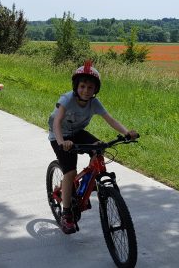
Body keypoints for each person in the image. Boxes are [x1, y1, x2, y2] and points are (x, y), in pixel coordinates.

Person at [48, 60, 139, 235]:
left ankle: (90, 182)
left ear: (95, 90)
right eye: (82, 86)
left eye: (90, 88)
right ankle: (66, 214)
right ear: (76, 86)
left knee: (99, 147)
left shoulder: (94, 103)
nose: (86, 91)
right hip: (59, 135)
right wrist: (61, 143)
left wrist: (127, 132)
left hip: (77, 132)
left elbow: (110, 119)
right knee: (69, 173)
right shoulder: (67, 99)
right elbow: (57, 123)